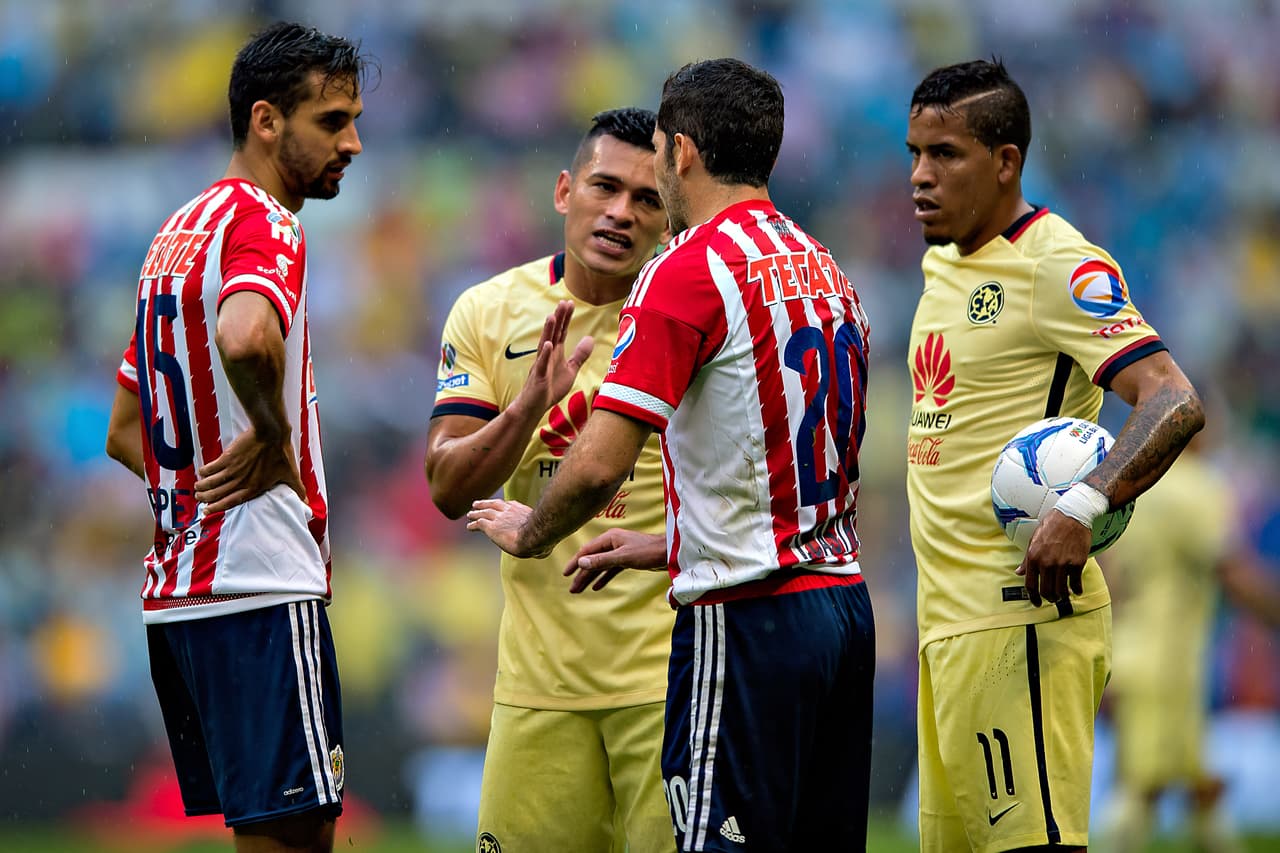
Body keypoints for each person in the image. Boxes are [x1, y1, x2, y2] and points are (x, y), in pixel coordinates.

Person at [467, 58, 877, 852]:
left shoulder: (686, 269)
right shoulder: (825, 269)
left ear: (681, 151)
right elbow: (800, 466)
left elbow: (595, 465)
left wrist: (533, 532)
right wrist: (669, 541)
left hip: (747, 617)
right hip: (841, 609)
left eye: (655, 155)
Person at [904, 58, 1205, 853]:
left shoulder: (1057, 265)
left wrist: (1084, 502)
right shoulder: (943, 262)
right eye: (914, 154)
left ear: (1006, 162)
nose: (920, 176)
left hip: (1022, 619)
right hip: (949, 626)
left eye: (945, 155)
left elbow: (1172, 397)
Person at [104, 22, 368, 853]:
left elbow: (123, 431)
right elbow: (248, 335)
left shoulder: (173, 237)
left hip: (181, 600)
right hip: (259, 588)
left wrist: (197, 500)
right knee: (296, 842)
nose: (353, 143)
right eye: (332, 122)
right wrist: (270, 433)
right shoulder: (265, 223)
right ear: (265, 120)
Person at [424, 108, 675, 853]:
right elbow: (446, 486)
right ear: (565, 191)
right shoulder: (487, 310)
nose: (622, 212)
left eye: (648, 198)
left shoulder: (690, 311)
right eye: (605, 186)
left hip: (668, 680)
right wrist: (525, 408)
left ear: (669, 216)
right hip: (538, 687)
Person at [1100, 426, 1280, 853]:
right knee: (1140, 788)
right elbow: (1232, 570)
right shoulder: (1197, 487)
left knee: (1200, 785)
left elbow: (1108, 571)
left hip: (1130, 650)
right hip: (1169, 663)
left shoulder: (1131, 485)